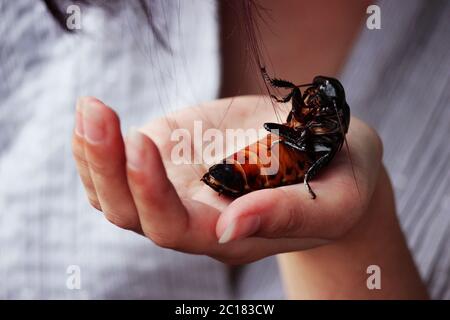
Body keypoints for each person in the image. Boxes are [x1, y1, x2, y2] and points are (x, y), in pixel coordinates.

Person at [1, 0, 447, 299]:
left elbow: (322, 144)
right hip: (274, 157)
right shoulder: (25, 20)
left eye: (317, 99)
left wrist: (353, 231)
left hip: (298, 158)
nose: (309, 98)